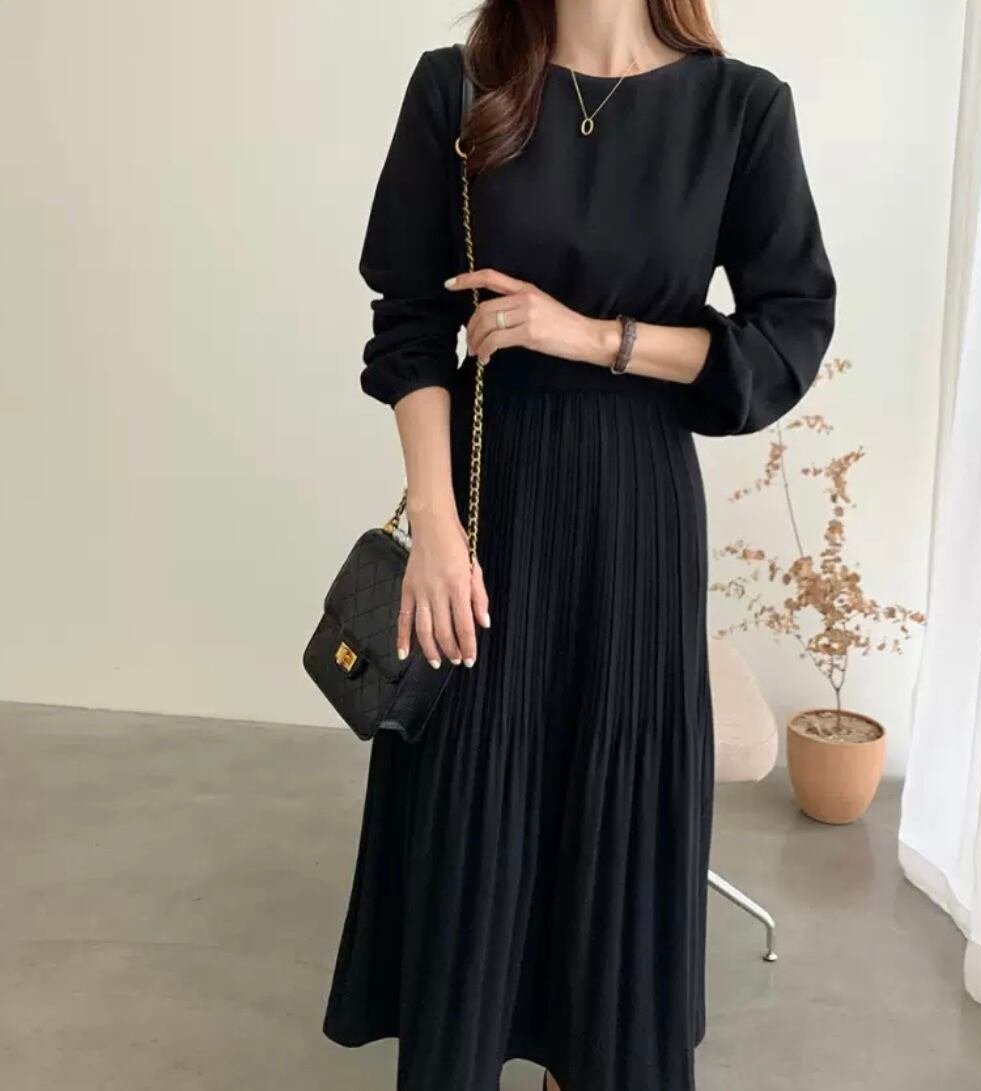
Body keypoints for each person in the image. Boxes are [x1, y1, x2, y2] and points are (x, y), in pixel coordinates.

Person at [322, 2, 835, 1089]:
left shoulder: (740, 109)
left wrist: (595, 336)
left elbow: (788, 331)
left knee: (615, 817)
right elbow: (408, 321)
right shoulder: (456, 86)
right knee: (473, 809)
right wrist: (436, 528)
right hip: (485, 504)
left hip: (636, 516)